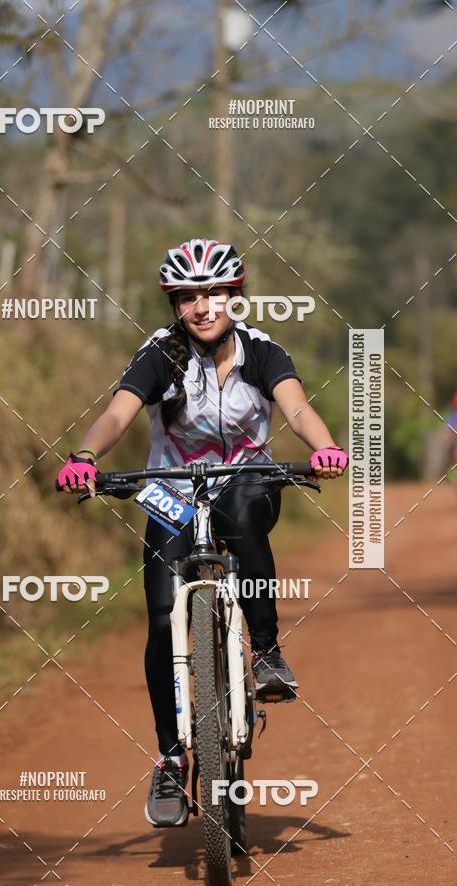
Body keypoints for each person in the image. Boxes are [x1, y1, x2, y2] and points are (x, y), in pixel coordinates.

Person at [56, 239, 348, 828]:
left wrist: (325, 448)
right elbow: (120, 411)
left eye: (215, 292)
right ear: (175, 304)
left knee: (242, 510)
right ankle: (169, 757)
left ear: (234, 295)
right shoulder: (159, 354)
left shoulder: (262, 351)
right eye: (189, 296)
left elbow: (294, 408)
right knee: (163, 615)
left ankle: (265, 653)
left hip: (245, 480)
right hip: (173, 491)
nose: (203, 306)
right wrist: (86, 453)